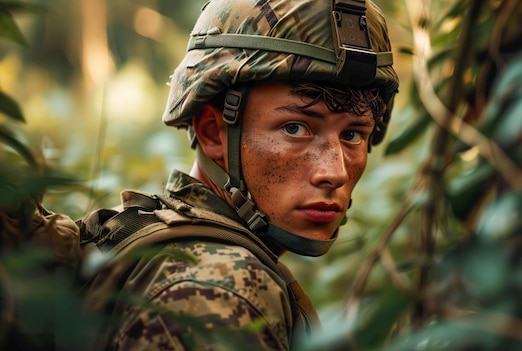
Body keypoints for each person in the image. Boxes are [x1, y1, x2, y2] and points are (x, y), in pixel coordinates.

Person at [79, 0, 399, 349]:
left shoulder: (165, 245)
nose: (334, 173)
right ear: (213, 133)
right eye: (295, 128)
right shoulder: (217, 291)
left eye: (353, 134)